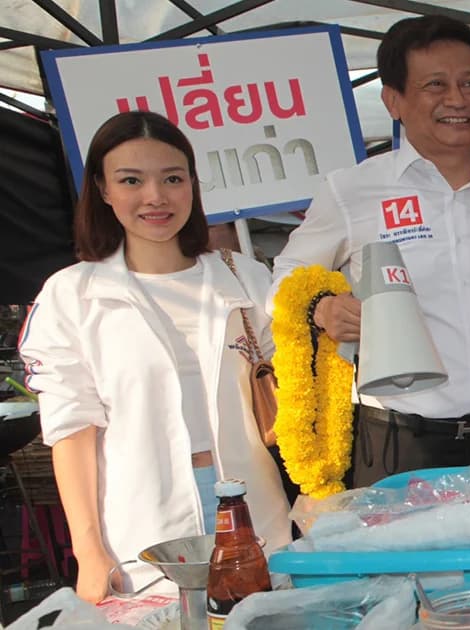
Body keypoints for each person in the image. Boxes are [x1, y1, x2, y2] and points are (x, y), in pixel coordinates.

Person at [18, 111, 290, 603]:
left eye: (172, 178)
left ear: (192, 184)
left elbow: (292, 393)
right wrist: (89, 550)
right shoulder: (72, 295)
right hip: (144, 527)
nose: (155, 197)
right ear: (102, 189)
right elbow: (72, 430)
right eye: (131, 180)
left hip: (255, 515)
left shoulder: (246, 279)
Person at [269, 16, 470, 487]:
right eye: (435, 85)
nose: (457, 99)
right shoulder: (353, 190)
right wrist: (322, 308)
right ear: (393, 100)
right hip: (401, 444)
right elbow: (283, 278)